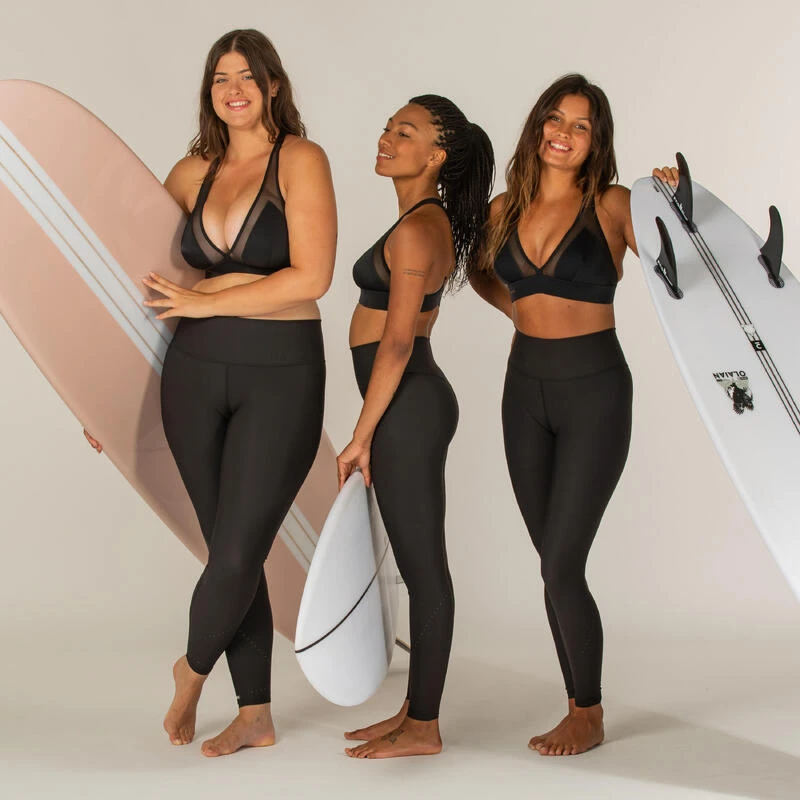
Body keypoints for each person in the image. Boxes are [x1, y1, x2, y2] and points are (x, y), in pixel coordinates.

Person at [88, 28, 336, 757]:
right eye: (220, 78)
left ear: (272, 86)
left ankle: (191, 669)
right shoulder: (188, 173)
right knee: (231, 549)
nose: (233, 89)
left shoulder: (300, 160)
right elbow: (143, 287)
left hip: (280, 371)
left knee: (237, 547)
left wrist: (207, 302)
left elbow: (312, 276)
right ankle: (255, 714)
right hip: (192, 373)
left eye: (247, 76)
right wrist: (99, 394)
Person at [470, 73, 677, 756]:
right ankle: (576, 703)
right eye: (554, 119)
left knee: (561, 564)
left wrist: (675, 205)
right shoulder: (503, 209)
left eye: (580, 125)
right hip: (523, 393)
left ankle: (588, 712)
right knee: (552, 565)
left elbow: (679, 265)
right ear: (538, 126)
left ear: (596, 141)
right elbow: (480, 271)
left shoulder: (612, 204)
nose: (563, 133)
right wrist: (517, 312)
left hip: (595, 393)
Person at [336, 95, 494, 759]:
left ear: (436, 156)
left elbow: (398, 342)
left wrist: (361, 435)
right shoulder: (419, 222)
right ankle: (412, 711)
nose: (387, 137)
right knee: (416, 563)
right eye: (388, 127)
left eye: (405, 132)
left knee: (424, 568)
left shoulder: (417, 229)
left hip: (409, 407)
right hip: (407, 405)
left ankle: (424, 726)